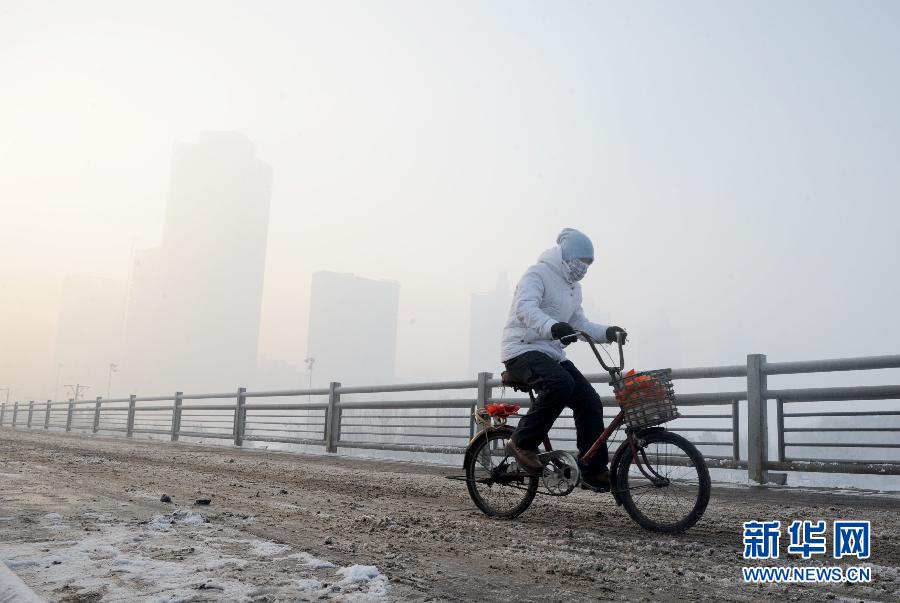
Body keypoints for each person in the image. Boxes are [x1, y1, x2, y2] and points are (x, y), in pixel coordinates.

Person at [500, 228, 626, 490]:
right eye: (582, 260)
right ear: (567, 255)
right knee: (560, 384)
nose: (585, 267)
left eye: (589, 263)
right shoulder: (537, 274)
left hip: (551, 354)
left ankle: (592, 469)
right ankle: (522, 442)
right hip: (521, 349)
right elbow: (525, 309)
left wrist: (607, 332)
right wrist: (553, 327)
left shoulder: (573, 288)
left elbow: (579, 322)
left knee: (589, 400)